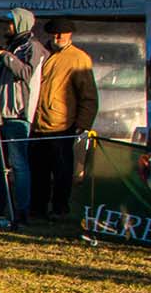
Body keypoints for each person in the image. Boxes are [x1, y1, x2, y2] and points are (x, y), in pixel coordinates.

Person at [29, 18, 99, 220]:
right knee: (38, 171)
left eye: (62, 33)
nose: (58, 37)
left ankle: (60, 208)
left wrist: (83, 123)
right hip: (37, 122)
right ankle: (37, 208)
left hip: (61, 124)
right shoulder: (41, 53)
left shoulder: (78, 58)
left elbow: (89, 95)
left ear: (70, 35)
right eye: (55, 33)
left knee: (61, 171)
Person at [0, 6, 48, 228]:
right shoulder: (14, 46)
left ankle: (22, 210)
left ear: (21, 24)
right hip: (1, 112)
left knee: (19, 164)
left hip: (18, 114)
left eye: (11, 24)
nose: (7, 28)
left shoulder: (34, 47)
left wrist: (4, 55)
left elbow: (26, 73)